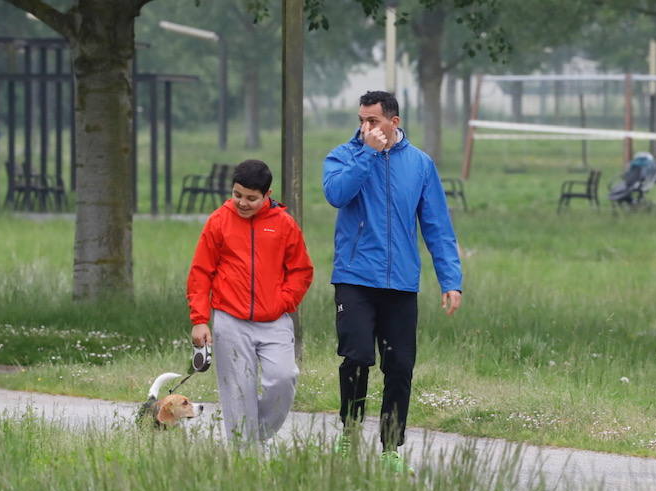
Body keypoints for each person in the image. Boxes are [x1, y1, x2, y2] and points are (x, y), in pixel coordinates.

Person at [323, 90, 463, 471]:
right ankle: (349, 431)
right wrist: (367, 153)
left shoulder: (420, 165)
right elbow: (335, 194)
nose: (366, 127)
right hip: (354, 277)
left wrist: (451, 280)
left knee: (399, 366)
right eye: (361, 120)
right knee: (356, 357)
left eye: (373, 120)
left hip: (400, 282)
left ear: (394, 122)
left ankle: (390, 449)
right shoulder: (344, 155)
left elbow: (437, 226)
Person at [186, 159, 314, 446]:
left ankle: (253, 439)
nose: (242, 203)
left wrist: (283, 302)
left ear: (267, 195)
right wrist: (199, 320)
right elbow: (200, 272)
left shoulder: (284, 224)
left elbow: (301, 271)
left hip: (275, 320)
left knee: (283, 378)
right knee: (237, 393)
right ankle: (245, 463)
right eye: (237, 195)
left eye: (251, 198)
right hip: (230, 320)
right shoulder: (218, 221)